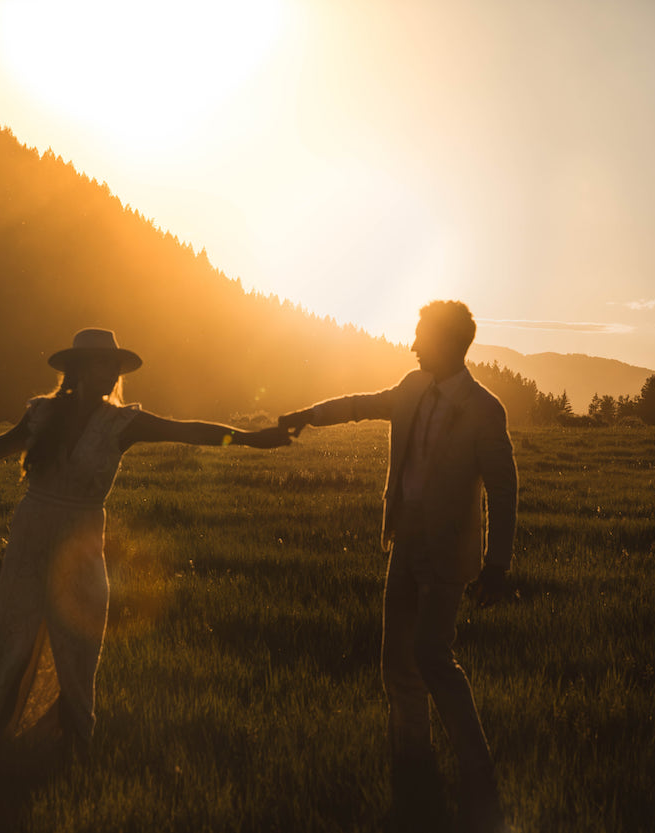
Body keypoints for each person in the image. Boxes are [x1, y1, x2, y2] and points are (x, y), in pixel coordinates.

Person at [0, 328, 290, 784]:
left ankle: (74, 745)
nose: (111, 373)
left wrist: (249, 439)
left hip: (82, 536)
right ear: (76, 370)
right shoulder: (43, 413)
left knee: (79, 641)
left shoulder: (122, 422)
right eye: (101, 364)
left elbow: (188, 431)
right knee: (11, 635)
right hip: (32, 531)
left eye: (114, 366)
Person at [279, 301, 517, 833]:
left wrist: (497, 565)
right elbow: (360, 404)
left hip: (448, 551)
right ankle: (414, 769)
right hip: (405, 541)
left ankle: (478, 775)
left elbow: (503, 488)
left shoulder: (484, 408)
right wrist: (306, 416)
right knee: (397, 666)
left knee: (433, 657)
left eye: (420, 336)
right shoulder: (412, 388)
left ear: (450, 342)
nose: (412, 344)